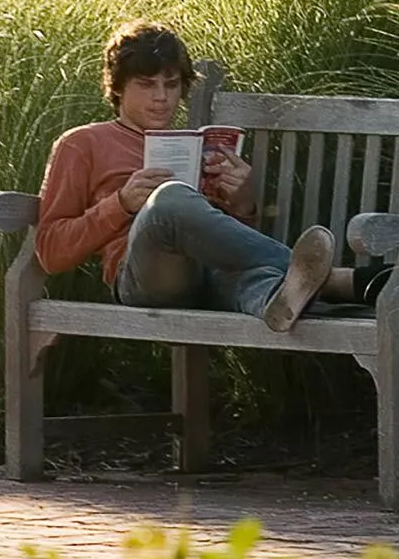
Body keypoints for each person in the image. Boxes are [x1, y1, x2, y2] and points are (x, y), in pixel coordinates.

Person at [34, 21, 360, 329]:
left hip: (214, 276)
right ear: (118, 88)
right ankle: (329, 277)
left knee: (257, 283)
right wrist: (121, 203)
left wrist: (243, 203)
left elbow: (230, 246)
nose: (162, 97)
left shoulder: (197, 147)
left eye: (172, 84)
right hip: (147, 276)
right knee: (170, 198)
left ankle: (288, 297)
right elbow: (50, 253)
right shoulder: (82, 143)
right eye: (147, 85)